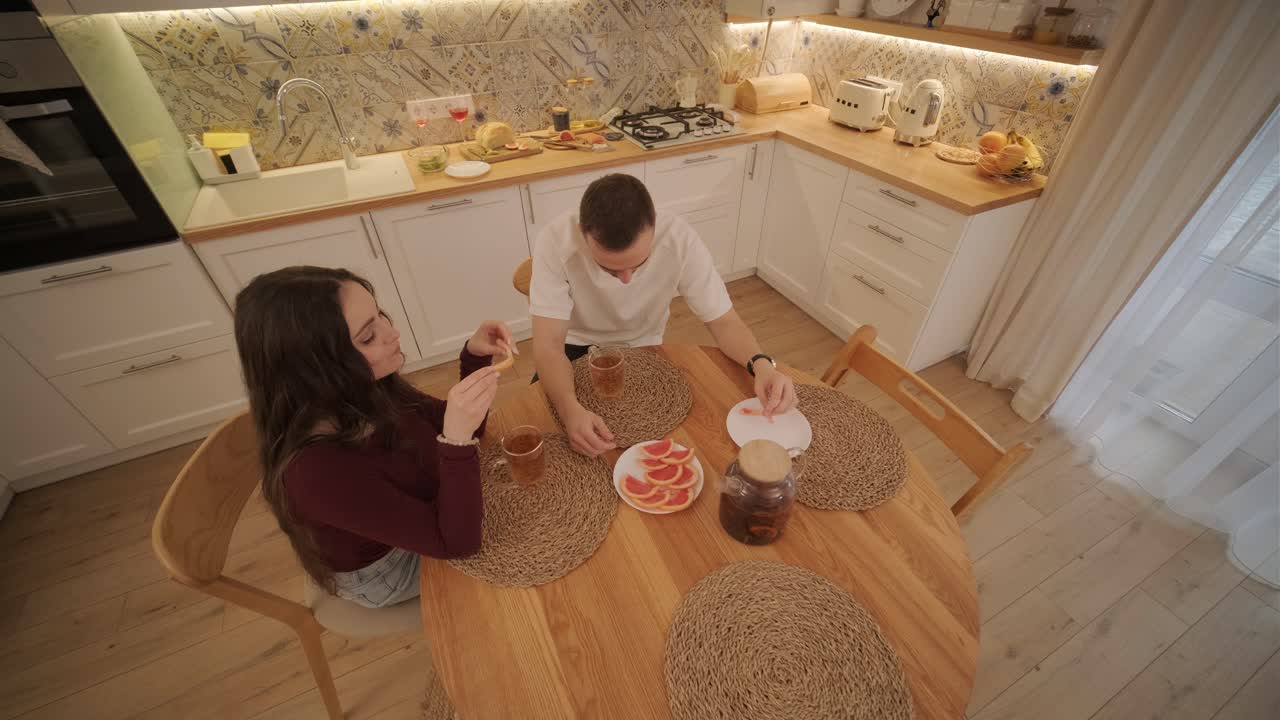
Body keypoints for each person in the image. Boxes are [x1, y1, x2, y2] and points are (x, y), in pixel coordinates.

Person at [233, 266, 513, 609]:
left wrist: (476, 357)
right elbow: (459, 544)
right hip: (387, 569)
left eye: (380, 314)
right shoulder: (314, 473)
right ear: (317, 367)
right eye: (367, 336)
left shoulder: (366, 388)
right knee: (519, 559)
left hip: (419, 514)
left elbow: (465, 428)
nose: (393, 332)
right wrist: (455, 441)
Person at [530, 173, 797, 457]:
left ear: (654, 227)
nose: (625, 280)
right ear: (583, 232)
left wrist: (762, 365)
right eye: (609, 269)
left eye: (638, 264)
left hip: (645, 345)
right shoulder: (555, 240)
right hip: (575, 345)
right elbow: (548, 345)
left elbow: (724, 321)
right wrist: (570, 410)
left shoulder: (680, 239)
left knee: (673, 435)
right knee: (548, 438)